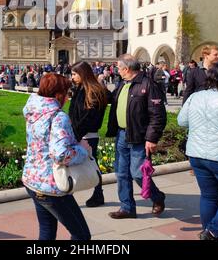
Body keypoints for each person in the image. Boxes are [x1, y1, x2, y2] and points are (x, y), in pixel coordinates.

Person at [22, 73, 91, 241]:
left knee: (47, 230)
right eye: (66, 92)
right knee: (81, 235)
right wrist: (83, 150)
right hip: (51, 186)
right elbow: (60, 154)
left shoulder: (32, 110)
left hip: (33, 180)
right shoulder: (58, 116)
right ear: (59, 93)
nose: (68, 97)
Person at [106, 54, 167, 219]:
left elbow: (157, 115)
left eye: (119, 68)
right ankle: (127, 208)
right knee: (121, 173)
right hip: (122, 134)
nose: (117, 71)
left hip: (139, 137)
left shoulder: (147, 84)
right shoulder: (123, 84)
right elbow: (111, 100)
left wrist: (152, 138)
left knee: (138, 173)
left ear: (126, 69)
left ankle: (157, 197)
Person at [178, 62, 218, 240]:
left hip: (197, 153)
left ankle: (209, 233)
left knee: (208, 196)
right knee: (209, 196)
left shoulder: (196, 96)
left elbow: (181, 121)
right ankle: (213, 230)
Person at [69, 61, 108, 207]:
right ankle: (95, 194)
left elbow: (89, 116)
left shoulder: (92, 91)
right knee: (81, 164)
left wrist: (76, 134)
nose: (72, 77)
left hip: (86, 134)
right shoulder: (82, 89)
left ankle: (98, 194)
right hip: (79, 133)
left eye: (74, 74)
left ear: (83, 73)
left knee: (91, 165)